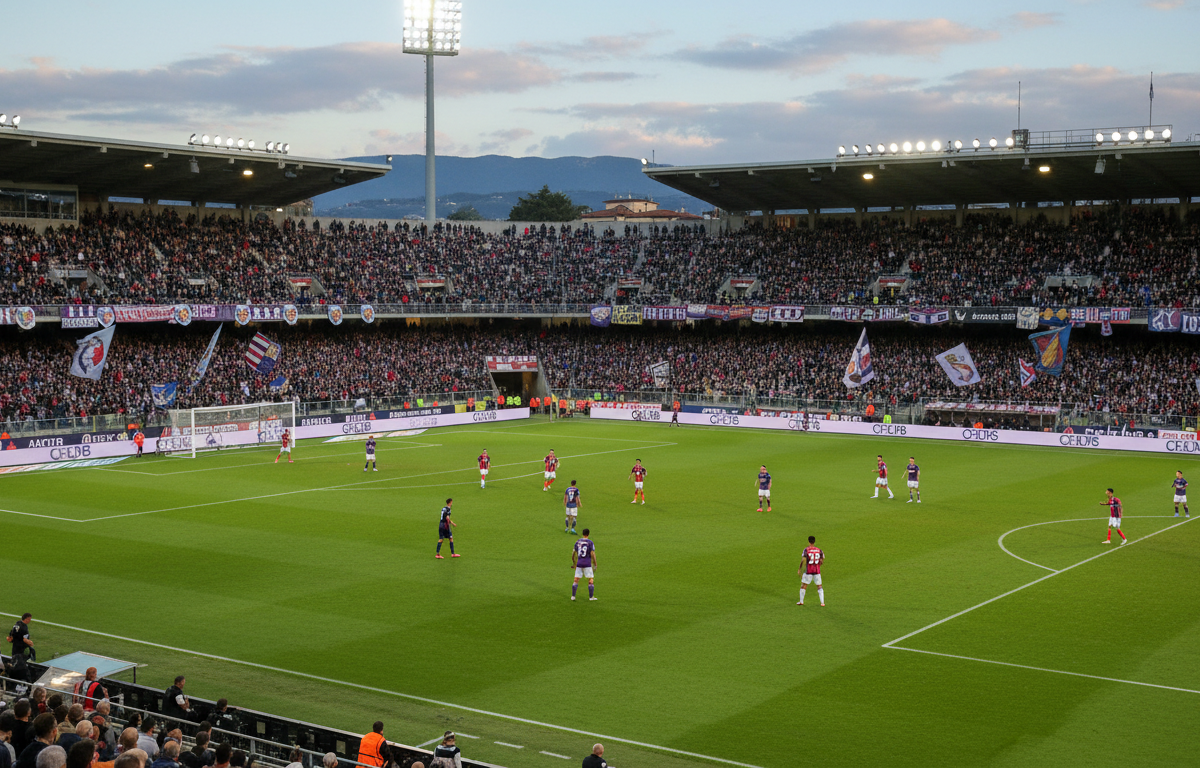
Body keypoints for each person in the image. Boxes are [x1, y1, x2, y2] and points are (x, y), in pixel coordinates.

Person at [571, 529, 598, 602]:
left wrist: (574, 562)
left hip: (579, 563)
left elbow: (573, 553)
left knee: (576, 580)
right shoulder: (590, 542)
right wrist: (595, 563)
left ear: (582, 534)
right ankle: (591, 597)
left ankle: (573, 596)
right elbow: (592, 553)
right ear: (588, 534)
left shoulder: (578, 542)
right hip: (587, 563)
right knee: (590, 580)